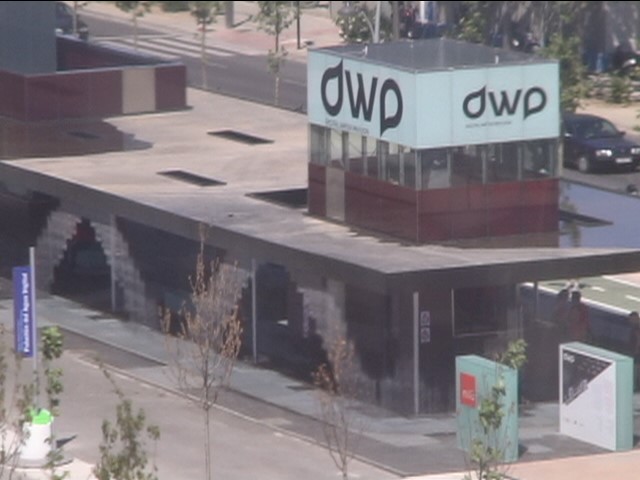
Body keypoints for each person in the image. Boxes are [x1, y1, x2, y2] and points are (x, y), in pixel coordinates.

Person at [628, 311, 640, 391]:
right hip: (636, 355)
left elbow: (638, 340)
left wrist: (636, 351)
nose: (630, 321)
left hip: (637, 355)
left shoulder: (637, 328)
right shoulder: (635, 328)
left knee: (635, 373)